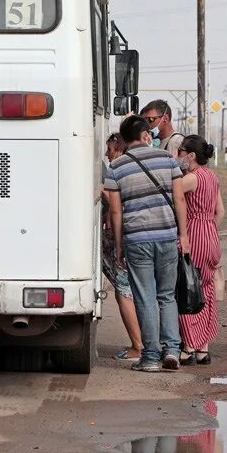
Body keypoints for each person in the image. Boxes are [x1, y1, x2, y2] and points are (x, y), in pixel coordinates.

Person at [105, 115, 189, 372]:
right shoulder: (167, 160)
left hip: (136, 240)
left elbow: (116, 212)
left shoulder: (116, 168)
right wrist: (183, 235)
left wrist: (119, 246)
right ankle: (172, 351)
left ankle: (151, 357)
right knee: (167, 296)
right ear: (145, 136)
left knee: (145, 298)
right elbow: (179, 200)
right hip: (166, 236)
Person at [175, 135, 224, 365]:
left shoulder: (191, 179)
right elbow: (220, 211)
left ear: (191, 155)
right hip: (210, 235)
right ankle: (204, 346)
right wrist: (210, 229)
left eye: (181, 151)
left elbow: (172, 192)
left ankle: (189, 346)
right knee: (206, 290)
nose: (178, 156)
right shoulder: (212, 177)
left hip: (193, 234)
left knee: (186, 289)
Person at [101, 133, 143, 361]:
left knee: (124, 294)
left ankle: (138, 346)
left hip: (123, 240)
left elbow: (117, 206)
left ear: (118, 147)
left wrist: (99, 190)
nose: (107, 154)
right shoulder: (134, 168)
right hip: (137, 236)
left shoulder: (118, 169)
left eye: (109, 149)